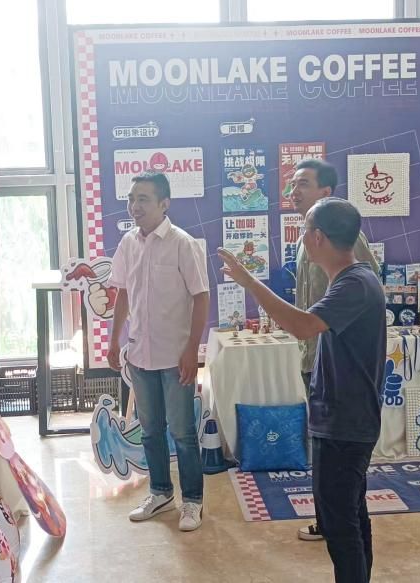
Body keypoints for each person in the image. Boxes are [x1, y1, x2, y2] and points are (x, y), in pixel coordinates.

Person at [220, 197, 385, 583]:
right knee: (348, 516)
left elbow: (302, 326)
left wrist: (249, 282)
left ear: (318, 237)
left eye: (305, 229)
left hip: (347, 422)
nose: (302, 236)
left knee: (340, 524)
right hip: (340, 418)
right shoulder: (351, 280)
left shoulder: (355, 283)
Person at [107, 171, 210, 532]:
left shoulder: (183, 243)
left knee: (182, 433)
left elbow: (201, 298)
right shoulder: (128, 243)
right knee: (150, 431)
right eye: (131, 199)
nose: (134, 206)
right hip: (140, 355)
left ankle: (192, 501)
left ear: (164, 204)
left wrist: (191, 351)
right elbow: (122, 293)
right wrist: (113, 339)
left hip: (175, 356)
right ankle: (160, 492)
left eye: (143, 199)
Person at [289, 158, 379, 543]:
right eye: (293, 184)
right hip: (313, 354)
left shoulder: (344, 237)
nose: (294, 191)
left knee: (341, 455)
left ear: (326, 192)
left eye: (303, 184)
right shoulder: (305, 239)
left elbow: (366, 285)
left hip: (337, 357)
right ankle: (329, 519)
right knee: (324, 449)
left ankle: (339, 522)